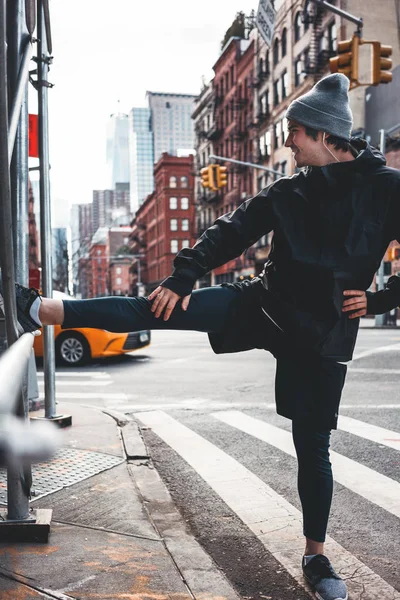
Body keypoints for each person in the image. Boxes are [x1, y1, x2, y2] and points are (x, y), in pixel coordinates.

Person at [2, 73, 400, 600]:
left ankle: (316, 556)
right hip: (263, 306)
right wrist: (185, 274)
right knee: (158, 305)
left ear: (325, 136)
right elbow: (231, 230)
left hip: (324, 334)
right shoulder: (288, 191)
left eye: (293, 133)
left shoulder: (387, 189)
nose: (285, 142)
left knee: (313, 445)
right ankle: (42, 309)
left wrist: (381, 299)